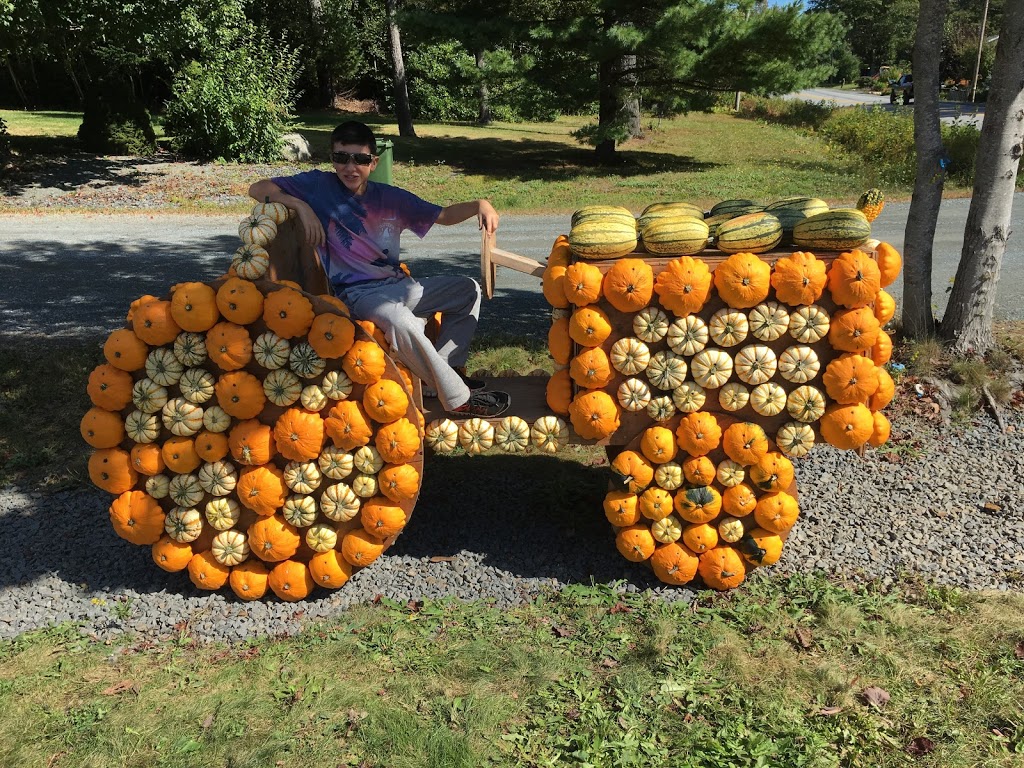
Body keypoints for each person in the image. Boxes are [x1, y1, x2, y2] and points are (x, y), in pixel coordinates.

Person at [248, 120, 510, 418]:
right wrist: (300, 205)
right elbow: (257, 188)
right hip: (357, 294)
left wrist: (481, 204)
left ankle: (444, 374)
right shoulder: (319, 187)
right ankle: (458, 399)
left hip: (398, 285)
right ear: (332, 158)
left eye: (360, 159)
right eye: (341, 157)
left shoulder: (390, 198)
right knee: (401, 320)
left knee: (468, 290)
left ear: (373, 162)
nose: (350, 167)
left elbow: (445, 215)